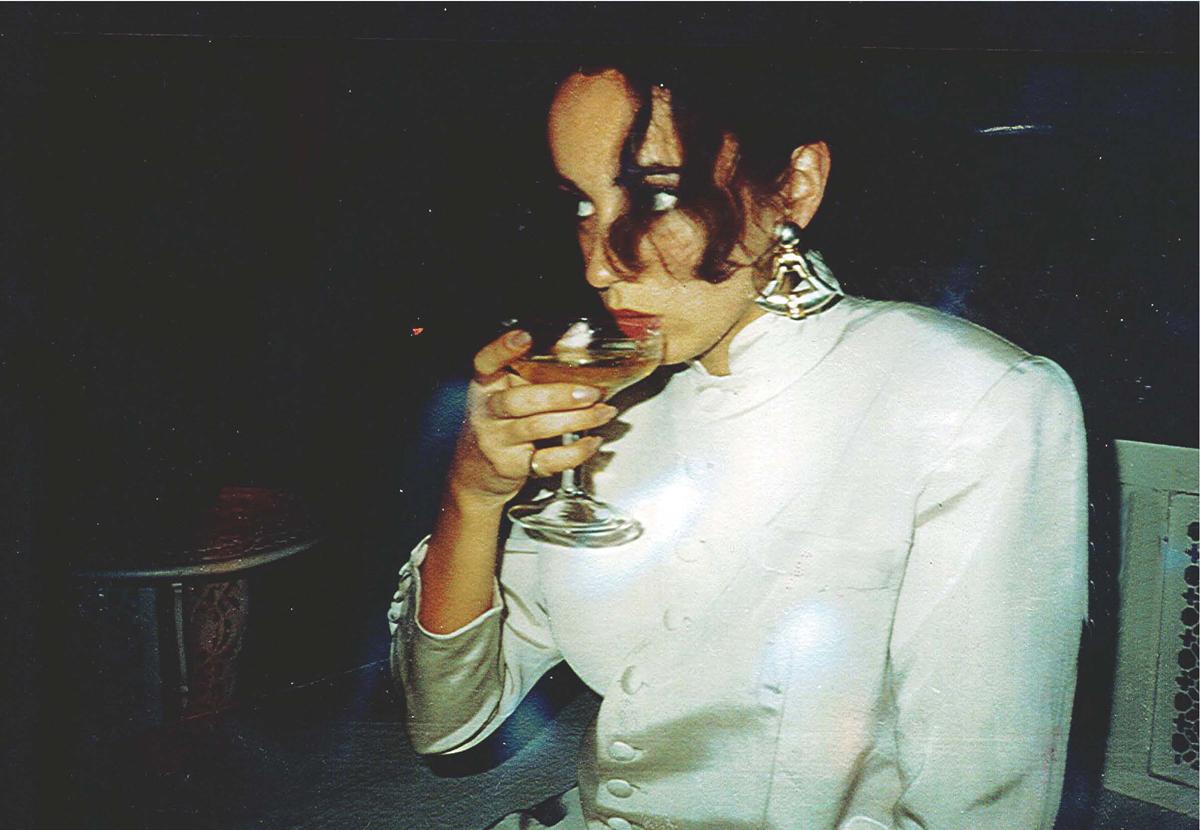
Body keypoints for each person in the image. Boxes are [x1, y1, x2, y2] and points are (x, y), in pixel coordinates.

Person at [389, 54, 1088, 830]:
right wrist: (473, 495)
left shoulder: (977, 401)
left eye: (654, 193)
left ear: (795, 186)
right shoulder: (610, 408)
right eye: (583, 205)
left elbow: (981, 808)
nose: (598, 264)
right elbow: (450, 724)